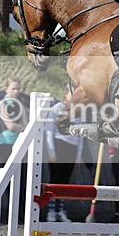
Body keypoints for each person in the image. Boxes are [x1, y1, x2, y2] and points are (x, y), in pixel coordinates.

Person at [0, 78, 30, 221]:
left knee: (22, 178)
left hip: (18, 142)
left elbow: (25, 124)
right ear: (6, 89)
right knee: (9, 176)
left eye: (18, 89)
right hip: (6, 142)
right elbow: (11, 126)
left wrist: (20, 127)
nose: (17, 91)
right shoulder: (2, 104)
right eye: (13, 88)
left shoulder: (20, 105)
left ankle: (21, 212)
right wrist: (21, 128)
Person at [44, 90, 84, 222]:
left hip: (72, 147)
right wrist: (51, 151)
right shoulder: (57, 108)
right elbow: (49, 130)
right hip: (59, 144)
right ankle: (50, 210)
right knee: (54, 179)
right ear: (65, 94)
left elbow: (81, 135)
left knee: (65, 181)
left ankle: (60, 210)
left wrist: (79, 155)